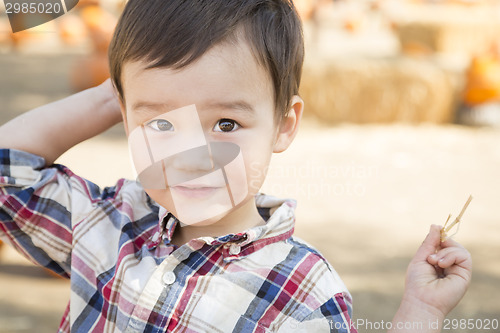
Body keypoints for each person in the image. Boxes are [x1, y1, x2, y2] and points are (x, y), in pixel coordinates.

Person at [0, 0, 471, 332]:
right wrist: (113, 95)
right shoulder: (108, 222)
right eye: (161, 125)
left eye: (226, 123)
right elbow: (8, 168)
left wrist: (421, 313)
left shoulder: (301, 292)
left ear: (284, 126)